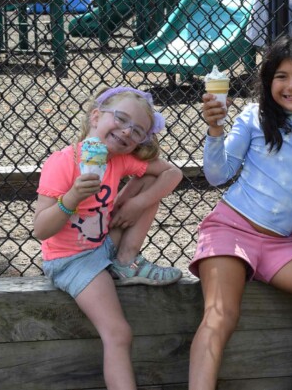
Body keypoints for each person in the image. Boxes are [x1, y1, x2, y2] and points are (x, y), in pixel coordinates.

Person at [189, 36, 292, 390]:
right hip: (230, 231)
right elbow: (217, 174)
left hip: (281, 244)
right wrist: (214, 130)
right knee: (221, 315)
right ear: (268, 82)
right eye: (281, 76)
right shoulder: (254, 116)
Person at [33, 87, 183, 390]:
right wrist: (72, 197)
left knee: (151, 180)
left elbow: (172, 174)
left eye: (137, 131)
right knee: (118, 333)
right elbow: (40, 230)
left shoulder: (117, 161)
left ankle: (126, 260)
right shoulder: (62, 162)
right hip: (72, 260)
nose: (127, 131)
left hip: (101, 242)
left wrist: (137, 202)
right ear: (96, 117)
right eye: (121, 119)